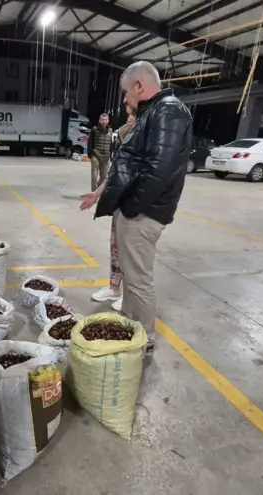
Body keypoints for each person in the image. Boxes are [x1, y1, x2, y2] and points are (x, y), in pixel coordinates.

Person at [93, 61, 193, 355]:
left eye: (126, 92)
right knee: (133, 276)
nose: (125, 99)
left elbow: (158, 170)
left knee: (138, 279)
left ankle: (145, 338)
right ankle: (130, 323)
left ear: (139, 86)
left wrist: (133, 207)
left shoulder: (169, 111)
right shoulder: (157, 111)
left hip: (144, 213)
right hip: (137, 210)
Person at [80, 107, 137, 312]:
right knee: (115, 249)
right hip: (120, 204)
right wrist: (96, 194)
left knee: (130, 253)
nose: (130, 121)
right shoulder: (123, 141)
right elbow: (116, 173)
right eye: (128, 118)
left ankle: (130, 295)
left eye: (133, 119)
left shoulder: (144, 145)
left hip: (136, 207)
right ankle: (114, 288)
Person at [87, 112, 113, 191]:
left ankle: (98, 192)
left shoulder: (111, 130)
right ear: (99, 120)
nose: (104, 121)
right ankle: (93, 193)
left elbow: (111, 143)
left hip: (106, 157)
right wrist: (90, 154)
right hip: (95, 155)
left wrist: (111, 155)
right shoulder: (94, 129)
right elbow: (90, 142)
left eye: (106, 120)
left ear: (108, 120)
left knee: (104, 177)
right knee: (94, 176)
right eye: (102, 120)